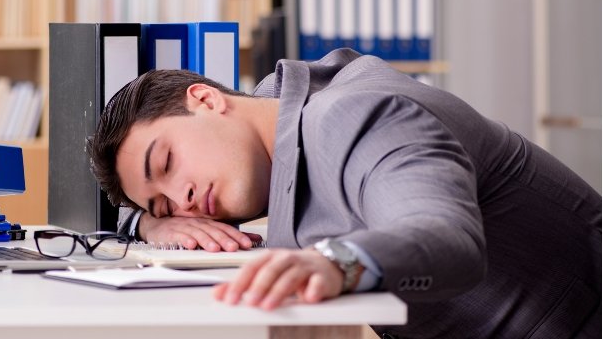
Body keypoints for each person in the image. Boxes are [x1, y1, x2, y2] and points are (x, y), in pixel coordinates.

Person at [88, 48, 601, 339]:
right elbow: (128, 211)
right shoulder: (273, 114)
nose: (184, 198)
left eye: (168, 163)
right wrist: (154, 224)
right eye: (163, 201)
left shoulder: (357, 116)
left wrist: (337, 264)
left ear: (204, 99)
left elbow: (448, 241)